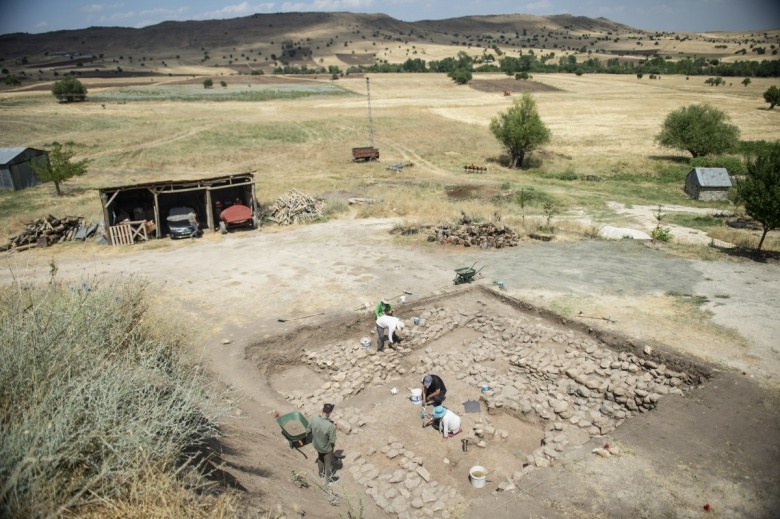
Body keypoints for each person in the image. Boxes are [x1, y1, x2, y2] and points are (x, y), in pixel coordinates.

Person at [306, 403, 338, 482]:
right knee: (328, 463)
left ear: (322, 410)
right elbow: (332, 440)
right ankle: (328, 479)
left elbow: (308, 431)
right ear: (329, 413)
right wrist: (334, 429)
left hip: (317, 445)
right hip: (326, 448)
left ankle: (321, 474)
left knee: (320, 458)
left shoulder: (313, 419)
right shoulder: (330, 425)